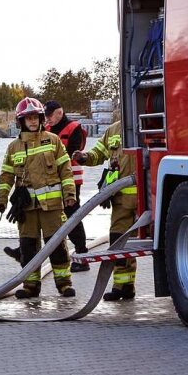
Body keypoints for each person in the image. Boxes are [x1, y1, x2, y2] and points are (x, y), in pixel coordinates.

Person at [0, 97, 77, 298]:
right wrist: (1, 199)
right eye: (28, 118)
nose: (32, 121)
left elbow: (65, 170)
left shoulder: (53, 140)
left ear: (41, 119)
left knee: (57, 245)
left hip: (52, 206)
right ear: (20, 121)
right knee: (28, 247)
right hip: (26, 208)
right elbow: (6, 176)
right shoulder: (13, 147)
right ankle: (30, 285)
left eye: (35, 117)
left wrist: (69, 194)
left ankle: (64, 284)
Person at [4, 100, 90, 271]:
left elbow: (70, 153)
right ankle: (24, 251)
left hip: (70, 180)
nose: (47, 119)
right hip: (49, 184)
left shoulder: (74, 128)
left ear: (60, 112)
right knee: (38, 219)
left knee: (71, 218)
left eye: (50, 115)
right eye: (46, 116)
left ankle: (81, 254)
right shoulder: (47, 131)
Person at [72, 119, 138, 301]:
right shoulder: (113, 130)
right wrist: (83, 157)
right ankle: (122, 286)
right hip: (121, 200)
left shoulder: (148, 123)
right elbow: (98, 153)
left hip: (148, 199)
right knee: (118, 242)